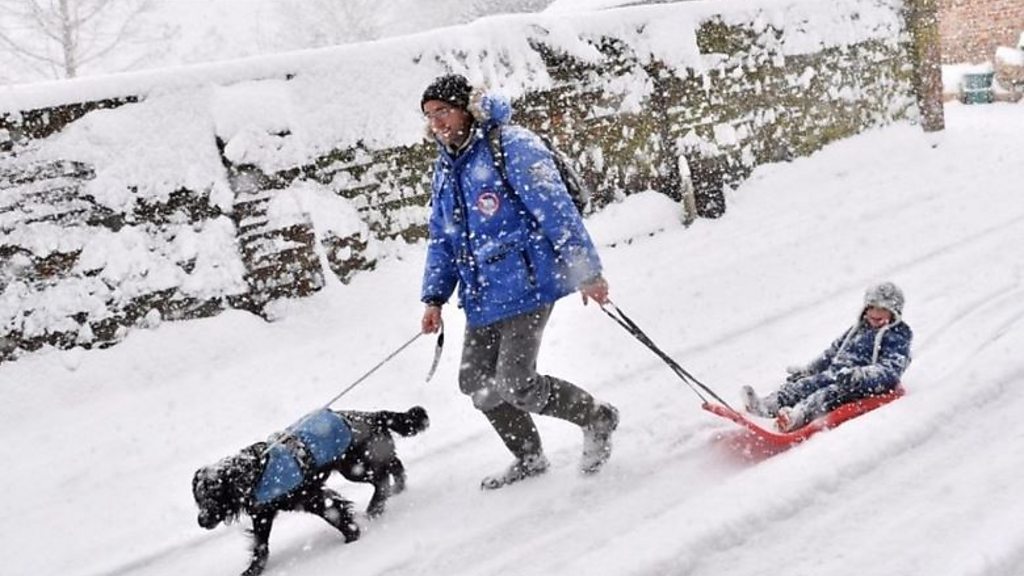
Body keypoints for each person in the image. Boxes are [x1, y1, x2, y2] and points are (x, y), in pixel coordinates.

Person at [417, 73, 619, 489]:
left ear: (466, 109)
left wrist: (588, 273)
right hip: (481, 292)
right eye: (429, 115)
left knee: (517, 383)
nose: (437, 123)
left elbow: (557, 210)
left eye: (443, 111)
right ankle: (529, 457)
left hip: (528, 283)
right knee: (475, 382)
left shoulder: (512, 146)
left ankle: (597, 417)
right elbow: (443, 236)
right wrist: (434, 298)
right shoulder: (446, 167)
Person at [741, 281, 913, 432]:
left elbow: (890, 370)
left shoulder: (897, 336)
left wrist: (860, 376)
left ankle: (797, 416)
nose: (875, 314)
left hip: (863, 385)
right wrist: (810, 369)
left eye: (882, 309)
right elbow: (832, 352)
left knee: (827, 395)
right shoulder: (858, 329)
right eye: (872, 308)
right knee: (805, 385)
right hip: (835, 373)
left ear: (895, 312)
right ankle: (766, 406)